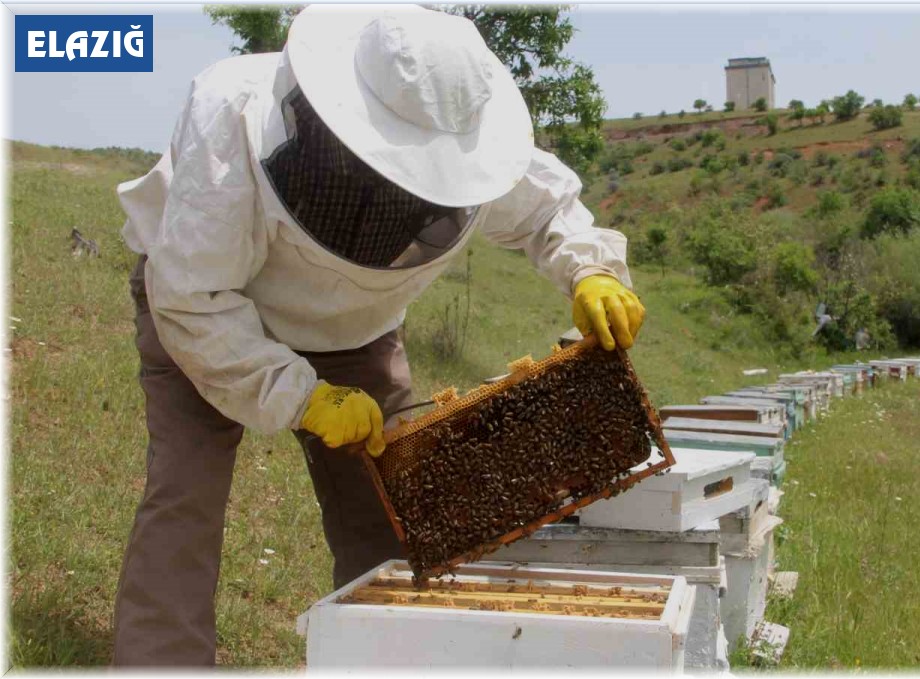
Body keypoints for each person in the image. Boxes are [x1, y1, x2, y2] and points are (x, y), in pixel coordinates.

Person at [111, 5, 645, 666]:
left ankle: (389, 657)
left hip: (354, 331)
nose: (401, 198)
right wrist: (300, 396)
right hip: (209, 309)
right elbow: (193, 298)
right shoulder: (229, 115)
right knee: (186, 491)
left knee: (388, 507)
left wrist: (590, 267)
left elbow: (545, 207)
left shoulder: (461, 143)